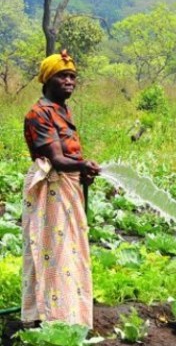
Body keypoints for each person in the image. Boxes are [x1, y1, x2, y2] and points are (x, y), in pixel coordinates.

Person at [21, 50, 100, 328]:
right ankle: (48, 316)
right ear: (47, 79)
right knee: (52, 249)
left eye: (72, 76)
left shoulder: (61, 110)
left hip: (67, 185)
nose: (69, 81)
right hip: (51, 189)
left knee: (70, 249)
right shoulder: (39, 114)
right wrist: (82, 166)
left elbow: (69, 157)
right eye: (62, 76)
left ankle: (68, 312)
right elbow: (56, 160)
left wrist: (82, 171)